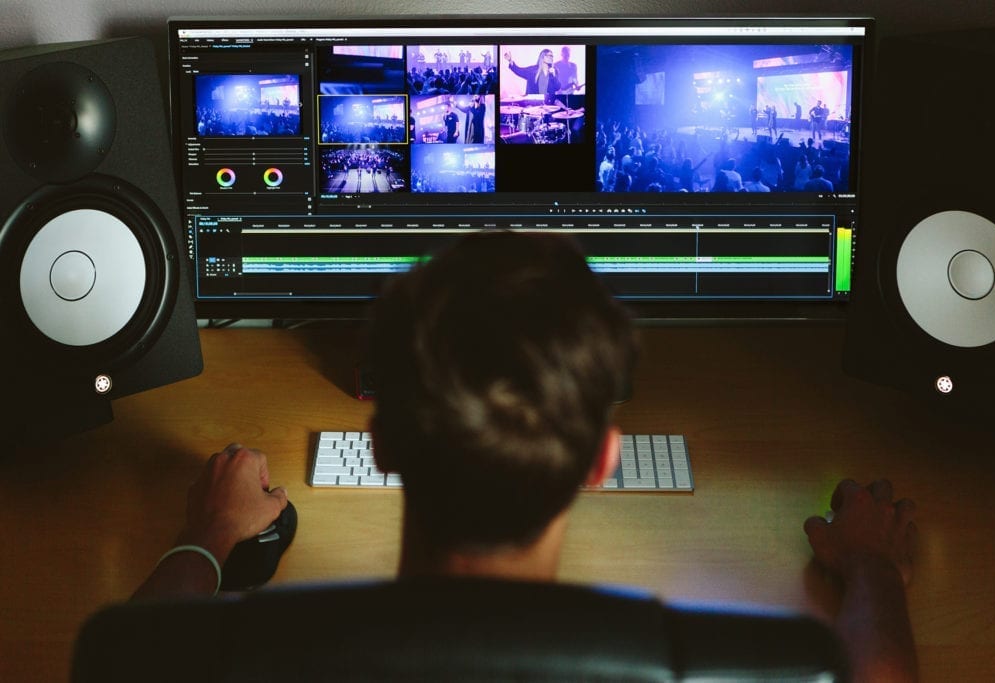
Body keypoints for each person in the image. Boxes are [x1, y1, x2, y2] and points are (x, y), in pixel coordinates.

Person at [131, 231, 919, 683]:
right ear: (603, 459)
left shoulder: (249, 658)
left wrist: (205, 537)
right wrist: (873, 568)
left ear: (382, 443)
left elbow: (131, 652)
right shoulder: (732, 664)